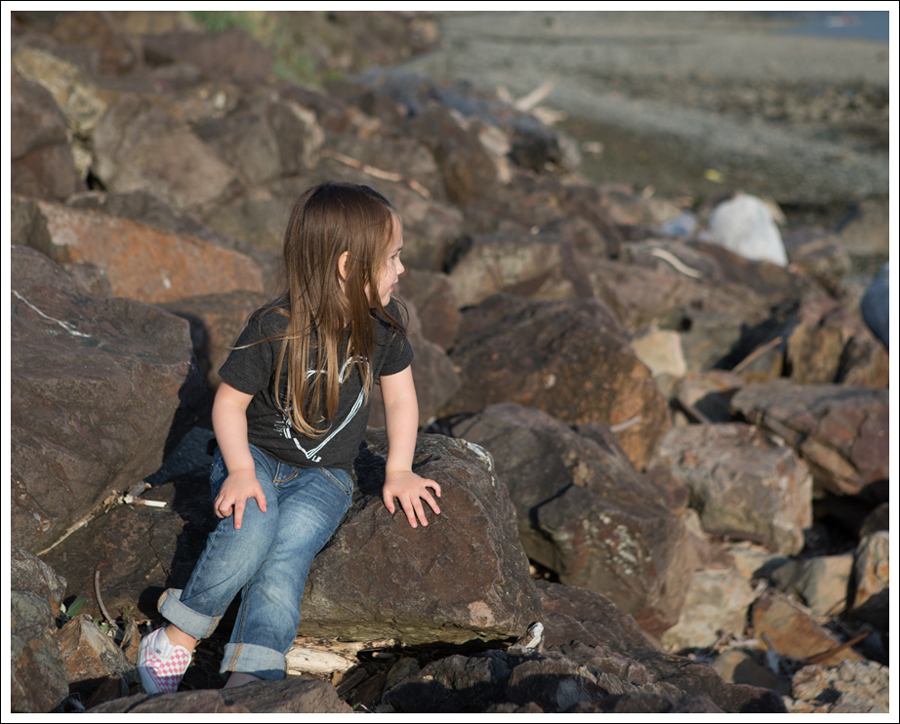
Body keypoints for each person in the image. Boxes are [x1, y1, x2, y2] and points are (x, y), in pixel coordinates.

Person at [137, 182, 442, 693]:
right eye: (392, 258)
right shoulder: (276, 325)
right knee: (252, 527)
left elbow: (402, 400)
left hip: (326, 477)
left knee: (288, 551)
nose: (402, 269)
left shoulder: (384, 329)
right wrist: (237, 469)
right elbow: (229, 402)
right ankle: (178, 636)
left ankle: (253, 668)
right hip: (254, 456)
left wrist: (399, 469)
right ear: (348, 266)